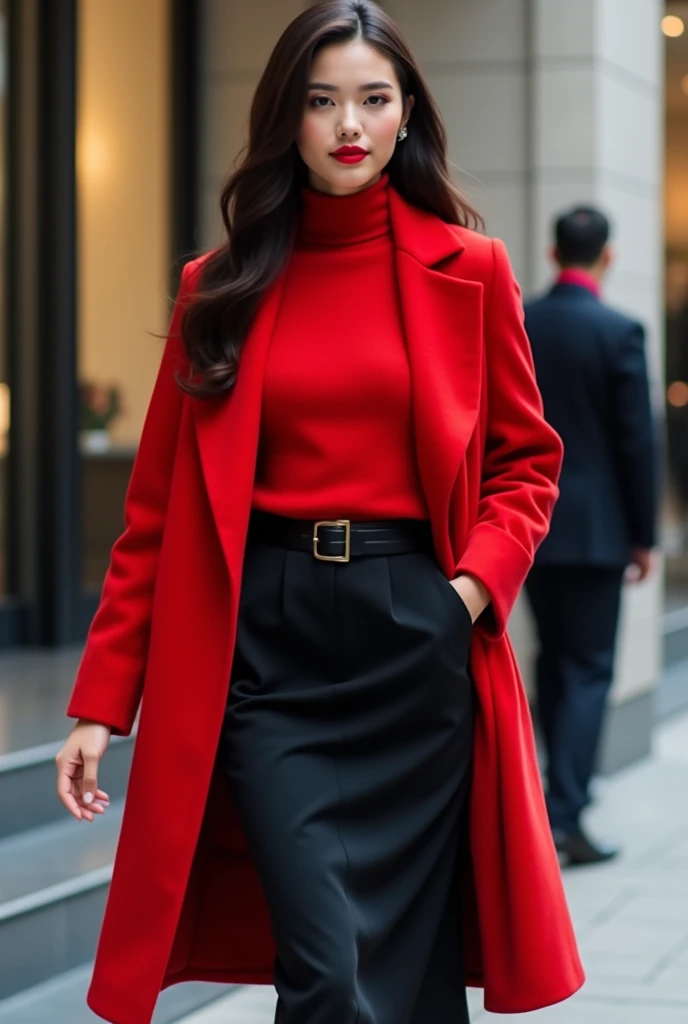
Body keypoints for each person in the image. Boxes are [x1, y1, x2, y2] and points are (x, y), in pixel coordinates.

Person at [55, 3, 584, 1022]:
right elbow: (155, 514)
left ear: (405, 114)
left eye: (373, 100)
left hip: (414, 633)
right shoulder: (220, 287)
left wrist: (467, 593)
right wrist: (98, 701)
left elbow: (528, 462)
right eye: (321, 100)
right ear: (287, 118)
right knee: (326, 966)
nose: (349, 125)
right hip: (268, 644)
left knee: (413, 972)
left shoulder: (469, 271)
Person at [524, 206, 658, 867]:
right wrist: (646, 536)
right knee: (587, 670)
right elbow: (639, 442)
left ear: (553, 255)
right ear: (606, 257)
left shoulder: (524, 323)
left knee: (552, 662)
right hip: (601, 531)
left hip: (530, 525)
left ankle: (554, 800)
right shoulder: (619, 330)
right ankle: (565, 815)